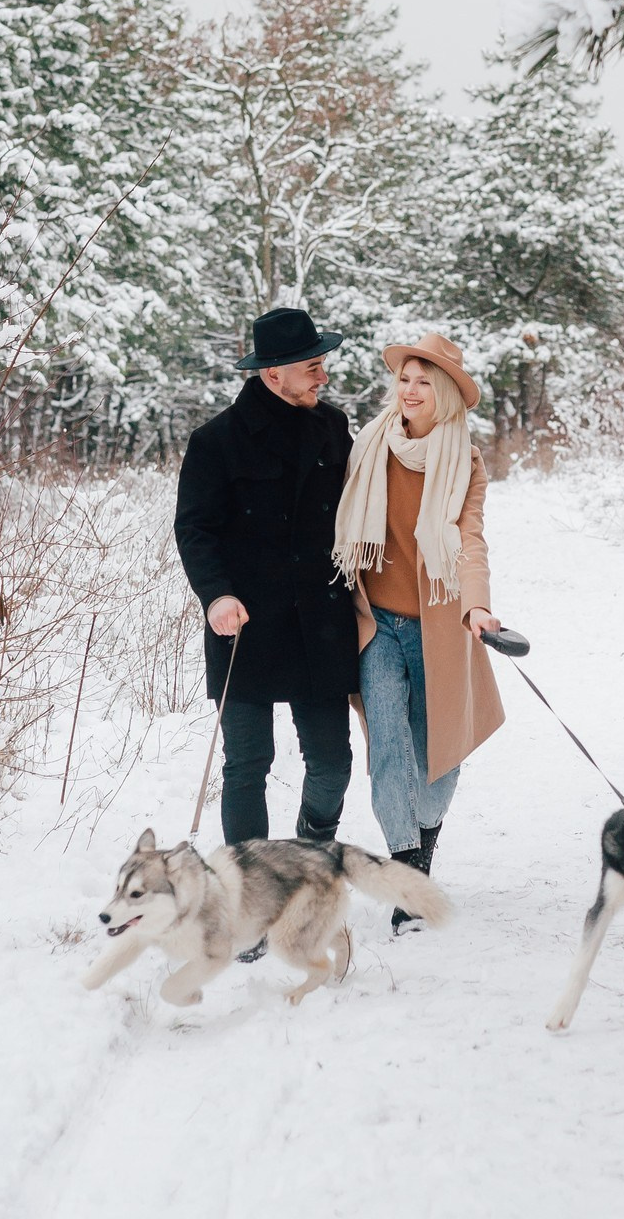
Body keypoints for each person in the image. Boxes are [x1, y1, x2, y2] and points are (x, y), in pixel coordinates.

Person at [332, 333, 505, 932]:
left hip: (440, 623)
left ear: (448, 395)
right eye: (404, 378)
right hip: (375, 624)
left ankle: (424, 840)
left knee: (440, 754)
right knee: (388, 749)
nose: (409, 390)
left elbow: (471, 540)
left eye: (423, 381)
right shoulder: (369, 447)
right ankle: (407, 873)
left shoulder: (466, 462)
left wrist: (478, 607)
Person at [174, 307, 358, 852]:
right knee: (247, 763)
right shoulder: (217, 441)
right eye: (312, 368)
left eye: (322, 364)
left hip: (321, 622)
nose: (323, 376)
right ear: (272, 374)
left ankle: (310, 850)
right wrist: (217, 595)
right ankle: (248, 890)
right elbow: (195, 528)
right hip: (246, 622)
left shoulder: (334, 427)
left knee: (333, 764)